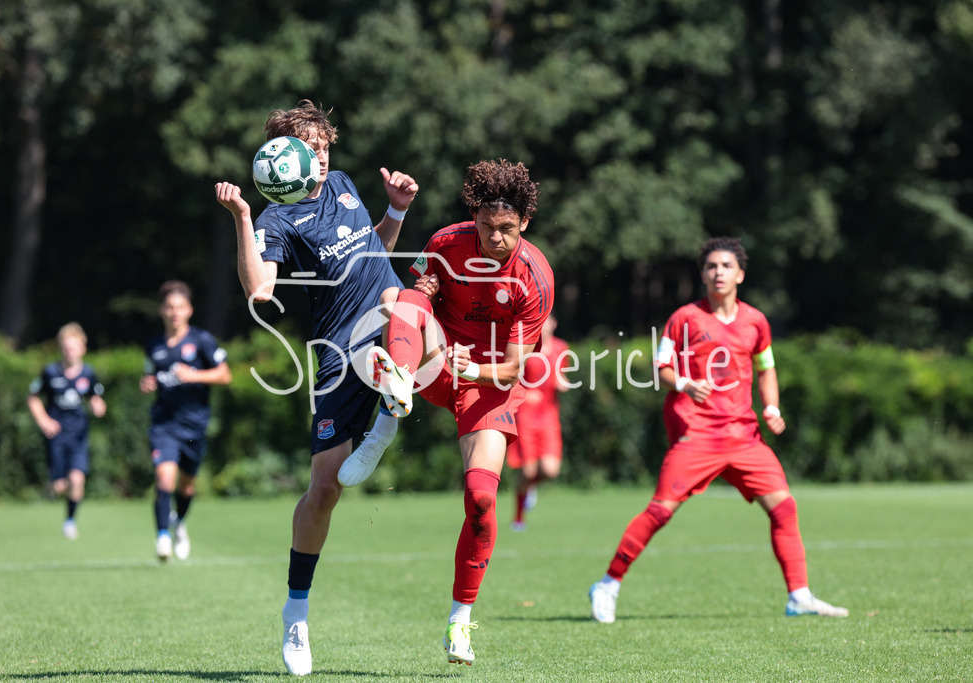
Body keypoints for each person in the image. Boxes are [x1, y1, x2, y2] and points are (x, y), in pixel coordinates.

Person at [214, 99, 419, 676]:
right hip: (336, 356)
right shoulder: (278, 220)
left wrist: (396, 212)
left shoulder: (348, 184)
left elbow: (371, 246)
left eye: (326, 148)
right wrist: (241, 218)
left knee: (403, 304)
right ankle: (296, 612)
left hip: (386, 324)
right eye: (311, 150)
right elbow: (259, 291)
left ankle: (385, 415)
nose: (323, 159)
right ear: (288, 157)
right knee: (323, 490)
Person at [353, 158, 554, 666]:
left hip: (486, 383)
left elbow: (512, 371)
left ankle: (459, 622)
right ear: (474, 216)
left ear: (524, 223)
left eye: (506, 229)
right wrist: (434, 354)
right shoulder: (446, 242)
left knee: (482, 501)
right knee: (400, 296)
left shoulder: (536, 278)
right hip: (434, 361)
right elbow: (417, 302)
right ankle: (390, 405)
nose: (495, 238)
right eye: (486, 226)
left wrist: (472, 371)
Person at [587, 236, 848, 623]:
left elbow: (766, 368)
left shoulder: (756, 321)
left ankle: (799, 596)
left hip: (743, 435)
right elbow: (661, 371)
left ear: (740, 274)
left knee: (785, 507)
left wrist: (772, 407)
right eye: (711, 266)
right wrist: (684, 384)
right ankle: (608, 584)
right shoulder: (684, 318)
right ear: (703, 275)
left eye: (726, 266)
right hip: (698, 434)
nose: (718, 272)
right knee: (659, 512)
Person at [140, 280, 231, 563]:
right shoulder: (153, 346)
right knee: (164, 478)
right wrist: (148, 383)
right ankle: (162, 538)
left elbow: (225, 375)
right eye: (169, 307)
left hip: (194, 425)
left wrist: (195, 376)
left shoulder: (201, 340)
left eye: (179, 307)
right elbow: (149, 375)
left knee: (187, 486)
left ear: (189, 310)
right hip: (163, 423)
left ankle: (179, 523)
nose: (174, 312)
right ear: (161, 311)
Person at [27, 323, 107, 539]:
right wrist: (44, 421)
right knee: (60, 485)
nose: (68, 352)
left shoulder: (88, 373)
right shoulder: (50, 372)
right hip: (56, 435)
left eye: (73, 347)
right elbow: (33, 398)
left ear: (82, 349)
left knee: (77, 480)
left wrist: (98, 406)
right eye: (65, 347)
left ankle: (70, 522)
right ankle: (52, 486)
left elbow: (95, 398)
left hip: (78, 434)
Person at [505, 313, 569, 531]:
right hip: (525, 414)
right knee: (528, 470)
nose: (544, 326)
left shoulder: (561, 347)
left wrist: (562, 382)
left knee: (551, 470)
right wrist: (524, 392)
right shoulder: (526, 346)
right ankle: (518, 518)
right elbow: (511, 375)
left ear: (554, 323)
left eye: (548, 322)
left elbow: (560, 374)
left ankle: (530, 488)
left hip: (549, 416)